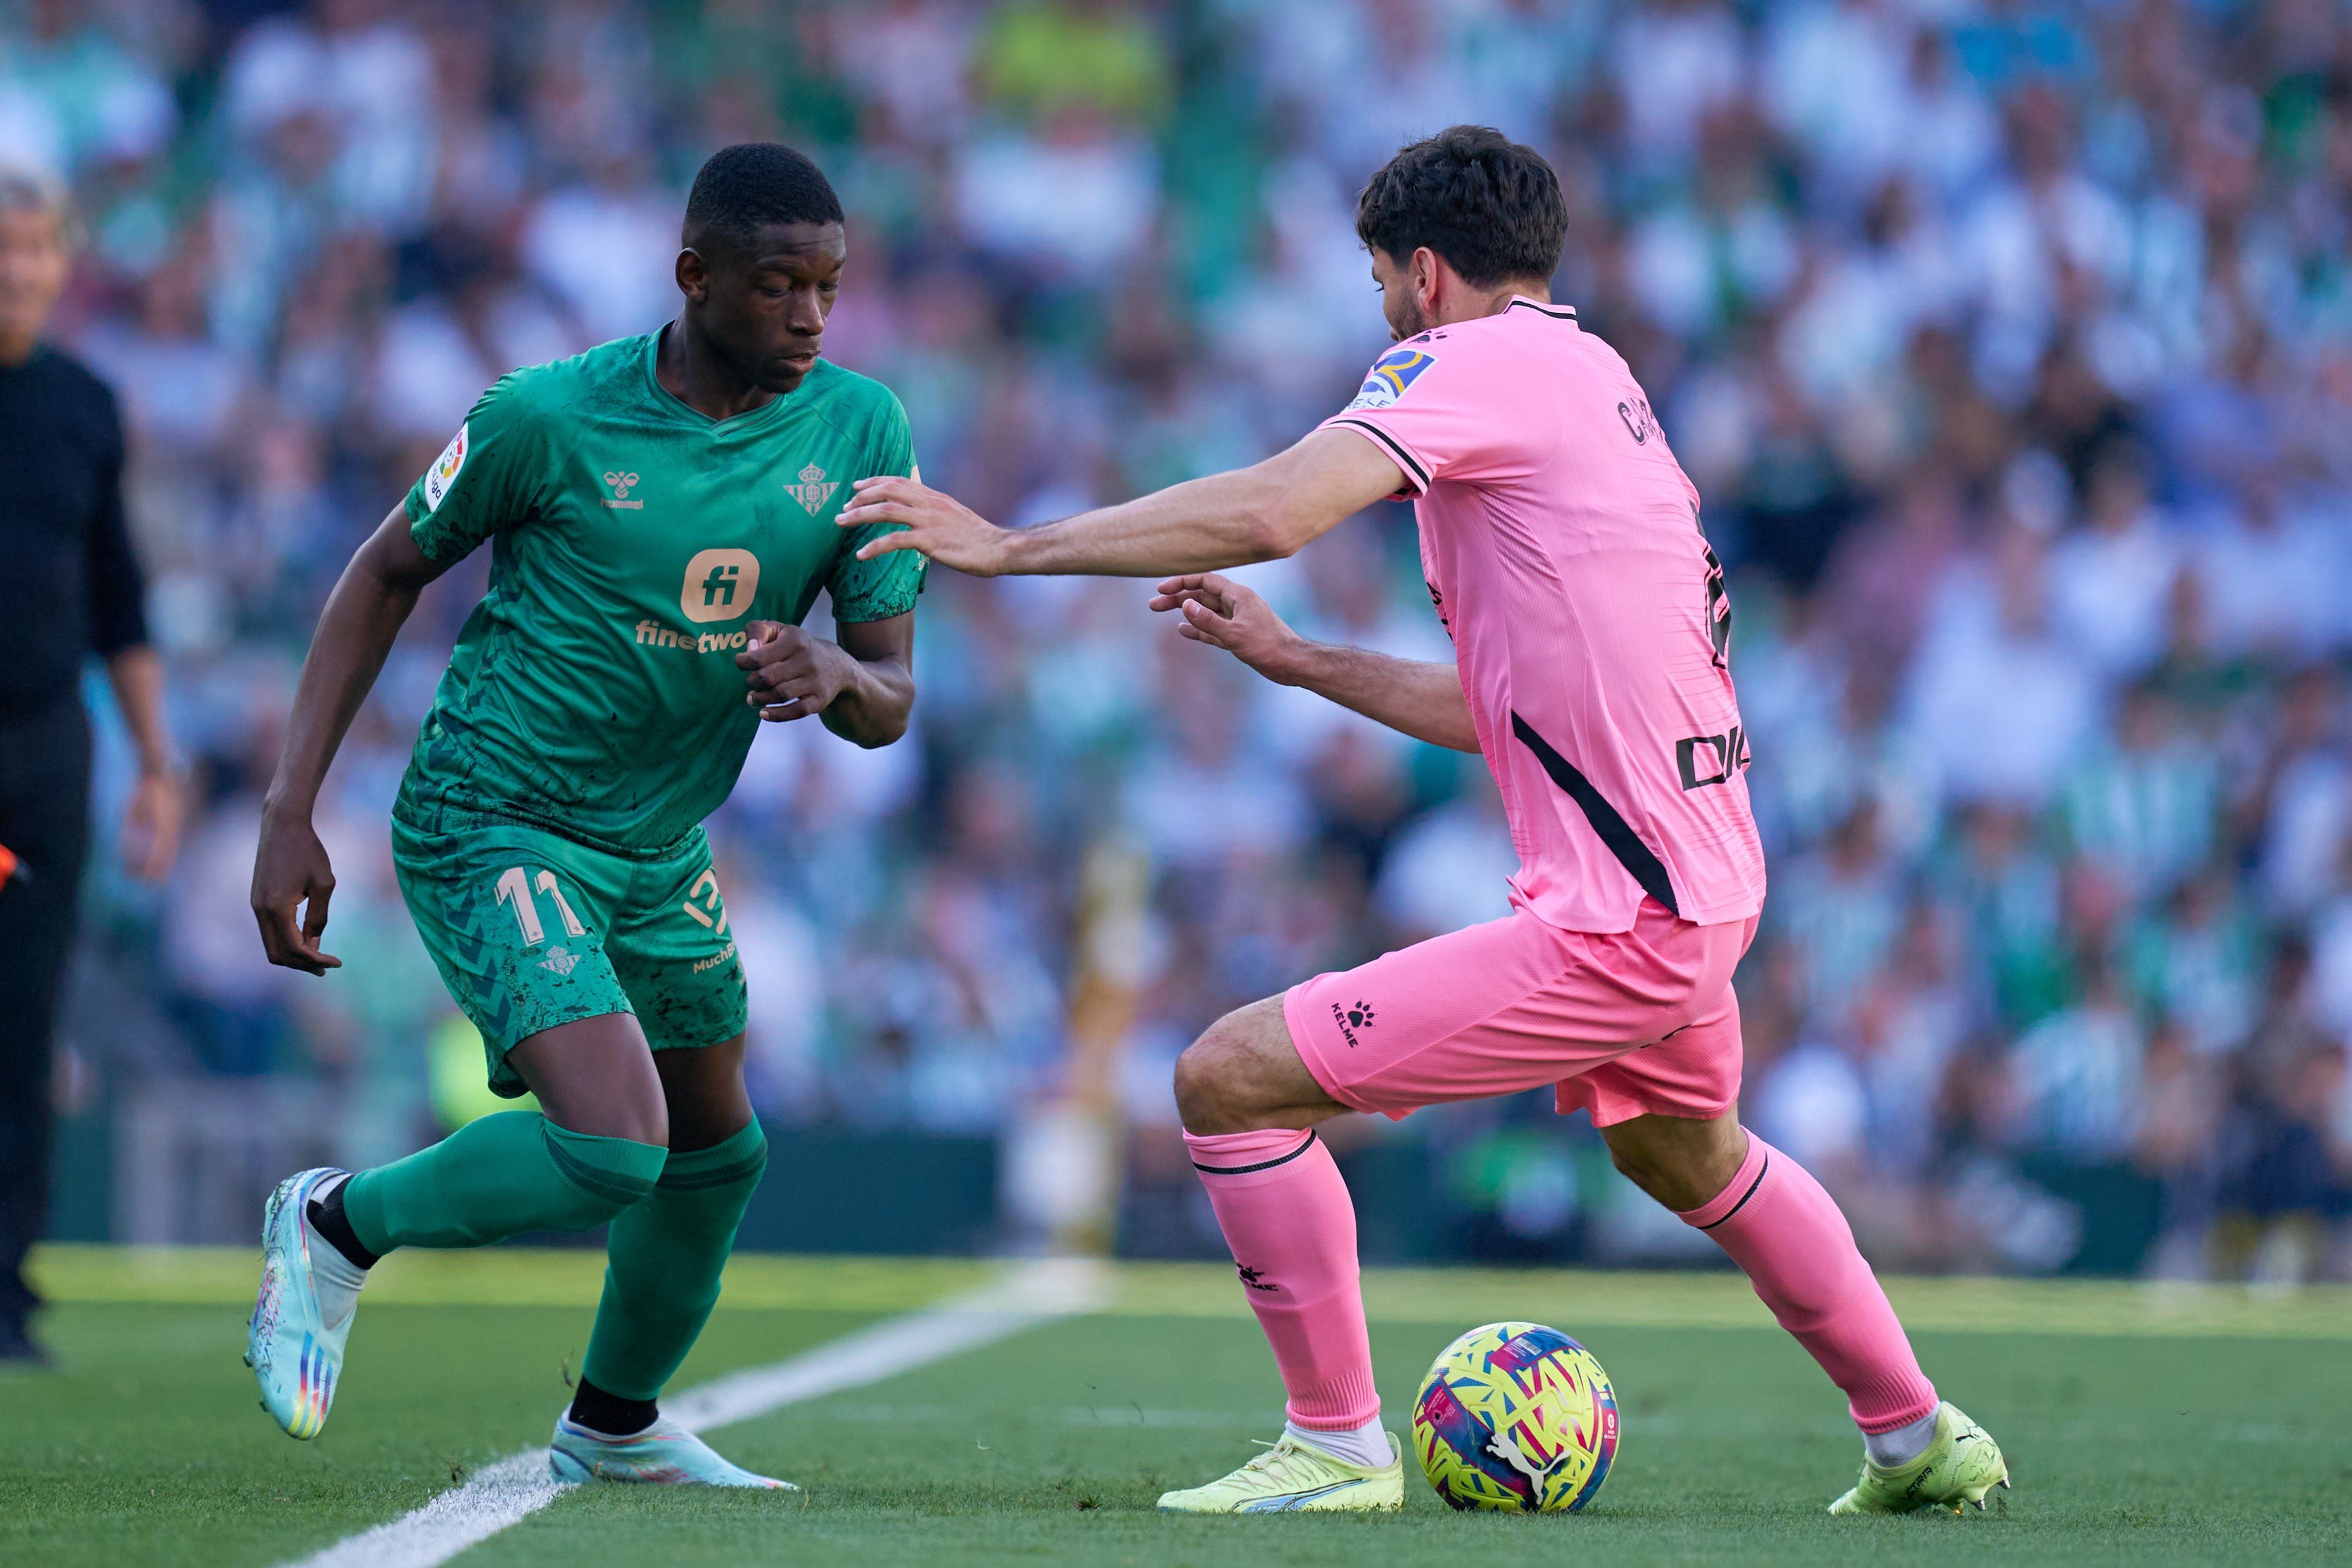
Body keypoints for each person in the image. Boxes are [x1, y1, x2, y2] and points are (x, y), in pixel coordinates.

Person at [839, 126, 2011, 1517]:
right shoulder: (1603, 383)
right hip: (1699, 884)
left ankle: (1335, 1441)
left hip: (1622, 913)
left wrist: (1014, 545)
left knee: (1227, 1078)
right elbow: (1520, 709)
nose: (1382, 311)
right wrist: (1302, 661)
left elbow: (1279, 507)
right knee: (1684, 1148)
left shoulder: (1469, 362)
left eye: (1384, 280)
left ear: (1428, 273)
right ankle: (1917, 1433)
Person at [244, 143, 925, 1486]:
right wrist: (288, 804)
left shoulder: (862, 428)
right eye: (778, 282)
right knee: (619, 1143)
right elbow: (384, 572)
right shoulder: (547, 416)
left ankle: (613, 1422)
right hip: (492, 811)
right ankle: (335, 1221)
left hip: (655, 841)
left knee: (719, 1153)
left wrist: (839, 670)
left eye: (828, 287)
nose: (808, 315)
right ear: (693, 277)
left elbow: (891, 692)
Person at [0, 167, 183, 1369]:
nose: (17, 272)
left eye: (34, 252)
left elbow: (120, 597)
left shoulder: (84, 405)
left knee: (25, 1019)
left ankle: (6, 1290)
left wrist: (158, 765)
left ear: (65, 264)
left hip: (44, 752)